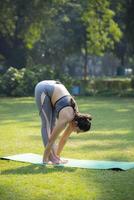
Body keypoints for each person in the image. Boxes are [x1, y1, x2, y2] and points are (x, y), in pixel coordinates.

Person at [35, 80, 92, 164]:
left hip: (53, 90)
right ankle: (49, 158)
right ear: (76, 124)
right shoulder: (66, 117)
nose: (76, 132)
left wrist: (58, 157)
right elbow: (51, 140)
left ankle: (54, 157)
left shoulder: (76, 117)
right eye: (78, 131)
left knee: (52, 125)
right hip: (43, 89)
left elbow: (64, 138)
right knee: (47, 124)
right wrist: (45, 159)